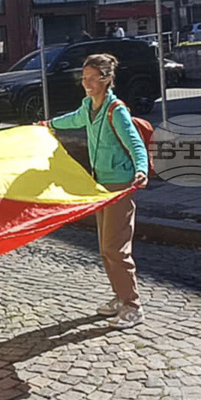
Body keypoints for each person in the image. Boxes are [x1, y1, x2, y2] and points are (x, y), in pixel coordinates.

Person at [44, 53, 149, 328]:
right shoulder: (89, 106)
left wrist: (141, 170)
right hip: (100, 183)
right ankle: (120, 296)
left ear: (106, 79)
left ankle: (133, 306)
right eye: (84, 78)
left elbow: (136, 144)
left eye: (92, 78)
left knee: (116, 248)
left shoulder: (116, 111)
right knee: (105, 247)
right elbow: (73, 119)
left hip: (119, 185)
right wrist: (49, 125)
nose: (86, 83)